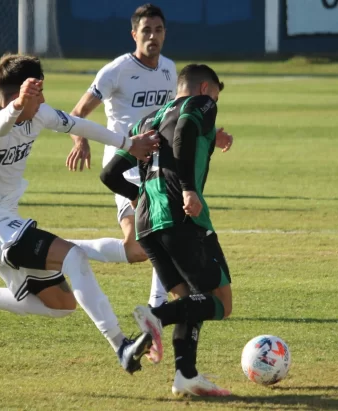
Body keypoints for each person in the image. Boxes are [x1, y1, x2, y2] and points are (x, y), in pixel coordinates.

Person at [0, 54, 164, 374]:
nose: (43, 100)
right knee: (73, 256)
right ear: (22, 94)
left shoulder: (38, 114)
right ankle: (121, 346)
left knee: (61, 306)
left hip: (8, 224)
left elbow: (78, 124)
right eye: (37, 94)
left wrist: (127, 143)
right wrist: (18, 105)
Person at [65, 4, 234, 310]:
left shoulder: (170, 69)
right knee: (138, 245)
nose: (152, 36)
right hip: (126, 166)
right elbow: (78, 113)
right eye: (146, 30)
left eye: (158, 30)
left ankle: (159, 303)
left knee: (154, 234)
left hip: (158, 164)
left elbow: (178, 115)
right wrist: (82, 141)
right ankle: (67, 250)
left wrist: (209, 135)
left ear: (165, 33)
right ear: (134, 34)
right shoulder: (116, 71)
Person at [100, 64, 232, 396]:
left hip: (147, 224)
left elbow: (110, 174)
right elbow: (187, 127)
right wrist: (188, 188)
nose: (214, 106)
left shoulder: (146, 122)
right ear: (204, 89)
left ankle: (185, 375)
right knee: (220, 302)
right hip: (181, 218)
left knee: (191, 298)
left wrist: (136, 197)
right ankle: (157, 317)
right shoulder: (199, 105)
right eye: (215, 96)